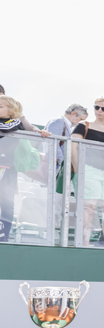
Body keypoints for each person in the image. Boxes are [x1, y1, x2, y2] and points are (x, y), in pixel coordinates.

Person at [71, 96, 104, 248]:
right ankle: (83, 244)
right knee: (88, 206)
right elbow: (73, 147)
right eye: (96, 107)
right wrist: (78, 169)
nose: (99, 110)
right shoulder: (83, 125)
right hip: (88, 169)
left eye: (103, 108)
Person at [0, 95, 42, 242]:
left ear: (11, 112)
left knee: (6, 201)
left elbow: (5, 127)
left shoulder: (14, 122)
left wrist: (38, 131)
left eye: (0, 107)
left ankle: (4, 233)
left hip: (6, 168)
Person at [45, 104, 89, 170]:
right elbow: (53, 145)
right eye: (81, 119)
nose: (81, 123)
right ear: (73, 113)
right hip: (55, 166)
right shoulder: (58, 121)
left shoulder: (66, 125)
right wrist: (61, 163)